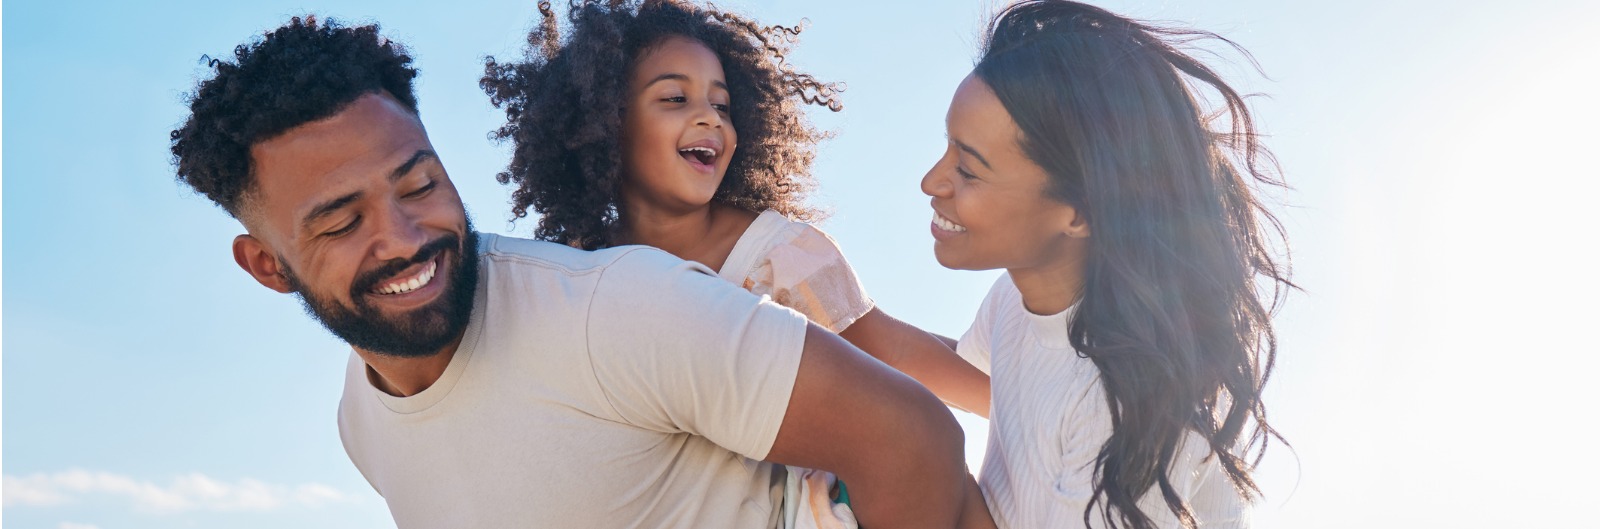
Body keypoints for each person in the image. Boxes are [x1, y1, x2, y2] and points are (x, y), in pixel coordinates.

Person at [169, 15, 982, 529]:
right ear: (267, 265)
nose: (404, 236)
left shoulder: (617, 307)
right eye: (343, 221)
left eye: (419, 184)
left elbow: (912, 435)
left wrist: (1027, 380)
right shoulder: (363, 426)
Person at [480, 0, 990, 419]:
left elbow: (888, 348)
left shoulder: (778, 256)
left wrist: (1029, 402)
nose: (708, 117)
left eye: (722, 106)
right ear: (606, 123)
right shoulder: (584, 271)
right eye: (675, 98)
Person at [919, 1, 1292, 528]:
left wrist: (919, 454)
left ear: (1080, 212)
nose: (932, 182)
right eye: (947, 147)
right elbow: (980, 380)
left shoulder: (1128, 408)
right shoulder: (1016, 301)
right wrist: (822, 306)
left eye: (968, 169)